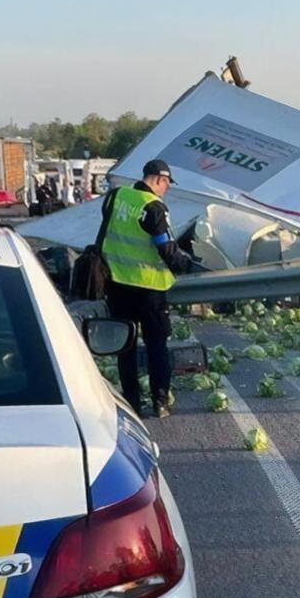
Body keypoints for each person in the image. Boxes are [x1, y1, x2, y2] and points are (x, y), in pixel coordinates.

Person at [97, 158, 193, 418]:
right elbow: (166, 248)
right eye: (167, 184)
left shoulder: (116, 196)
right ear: (160, 180)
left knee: (125, 346)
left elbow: (106, 231)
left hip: (117, 284)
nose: (167, 190)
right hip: (149, 289)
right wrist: (188, 265)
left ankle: (132, 402)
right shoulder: (154, 208)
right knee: (156, 347)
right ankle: (160, 401)